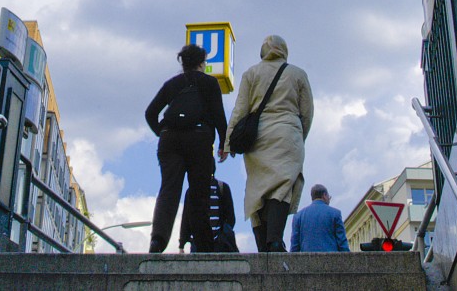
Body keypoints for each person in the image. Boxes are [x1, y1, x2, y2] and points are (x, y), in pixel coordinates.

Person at [221, 35, 313, 252]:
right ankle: (274, 240)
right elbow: (307, 112)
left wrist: (228, 142)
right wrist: (300, 136)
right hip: (287, 134)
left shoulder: (251, 73)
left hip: (256, 138)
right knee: (281, 186)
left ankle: (263, 244)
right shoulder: (298, 74)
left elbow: (240, 110)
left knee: (258, 189)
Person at [144, 43, 228, 253]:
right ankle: (204, 246)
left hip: (169, 140)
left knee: (169, 190)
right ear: (202, 63)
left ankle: (158, 240)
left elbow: (150, 113)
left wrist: (162, 131)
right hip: (199, 139)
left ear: (183, 63)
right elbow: (219, 116)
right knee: (198, 194)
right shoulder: (210, 83)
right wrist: (223, 143)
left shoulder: (172, 83)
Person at [178, 175, 237, 253]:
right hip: (199, 242)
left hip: (220, 244)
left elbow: (230, 217)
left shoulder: (222, 187)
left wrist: (222, 235)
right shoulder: (192, 191)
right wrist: (182, 244)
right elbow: (186, 219)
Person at [290, 183, 350, 252]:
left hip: (307, 261)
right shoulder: (335, 213)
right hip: (331, 260)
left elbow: (294, 247)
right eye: (329, 197)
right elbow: (342, 244)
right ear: (324, 195)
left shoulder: (298, 216)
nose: (329, 199)